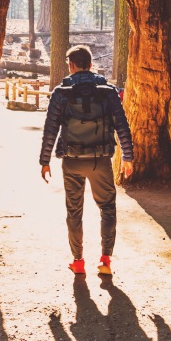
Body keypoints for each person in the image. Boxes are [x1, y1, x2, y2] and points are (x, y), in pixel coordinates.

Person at [40, 45, 134, 276]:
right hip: (100, 160)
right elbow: (122, 125)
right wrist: (128, 157)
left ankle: (78, 261)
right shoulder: (107, 91)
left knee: (74, 211)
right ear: (91, 65)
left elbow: (50, 129)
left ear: (71, 65)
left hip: (71, 161)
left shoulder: (61, 93)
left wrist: (45, 161)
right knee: (107, 208)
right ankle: (105, 260)